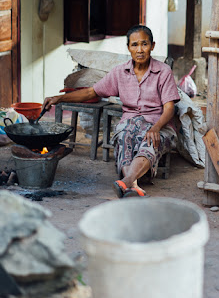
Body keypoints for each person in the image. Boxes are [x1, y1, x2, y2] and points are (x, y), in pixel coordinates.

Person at [42, 25, 180, 198]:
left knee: (150, 142)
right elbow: (92, 92)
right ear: (128, 47)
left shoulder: (163, 72)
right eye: (134, 45)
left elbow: (169, 108)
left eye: (144, 44)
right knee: (123, 136)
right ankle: (132, 185)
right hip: (130, 121)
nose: (139, 50)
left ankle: (127, 181)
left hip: (158, 124)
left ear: (152, 46)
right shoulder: (119, 72)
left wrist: (156, 127)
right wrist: (58, 98)